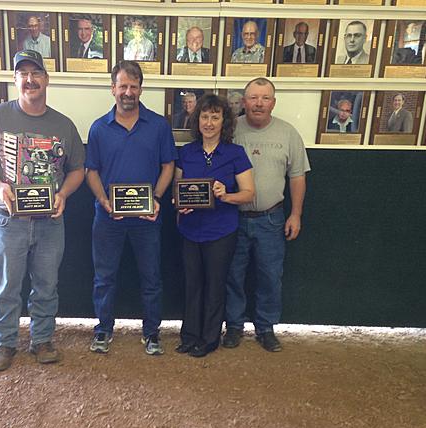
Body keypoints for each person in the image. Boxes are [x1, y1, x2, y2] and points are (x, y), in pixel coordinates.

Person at [0, 50, 85, 371]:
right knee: (6, 286)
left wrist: (64, 194)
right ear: (14, 79)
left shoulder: (63, 125)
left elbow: (77, 170)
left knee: (46, 285)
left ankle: (42, 340)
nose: (30, 79)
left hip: (49, 222)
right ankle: (4, 343)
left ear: (47, 79)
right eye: (23, 74)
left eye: (36, 73)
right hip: (8, 220)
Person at [85, 60, 176, 356]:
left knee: (151, 277)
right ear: (113, 88)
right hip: (108, 218)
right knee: (104, 277)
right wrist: (103, 200)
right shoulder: (99, 128)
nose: (128, 92)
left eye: (133, 86)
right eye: (122, 86)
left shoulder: (158, 125)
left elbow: (168, 166)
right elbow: (91, 171)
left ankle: (151, 333)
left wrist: (157, 199)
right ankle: (103, 329)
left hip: (147, 217)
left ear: (141, 89)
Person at [224, 77, 310, 353]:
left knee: (270, 276)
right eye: (253, 97)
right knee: (232, 275)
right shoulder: (230, 130)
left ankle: (266, 328)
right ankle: (234, 326)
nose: (258, 103)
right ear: (243, 101)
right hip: (232, 217)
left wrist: (295, 214)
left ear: (273, 102)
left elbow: (297, 177)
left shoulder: (288, 133)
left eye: (265, 98)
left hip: (272, 219)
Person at [175, 94, 254, 358]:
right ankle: (189, 335)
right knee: (191, 283)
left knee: (215, 285)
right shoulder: (186, 153)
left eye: (215, 117)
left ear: (224, 121)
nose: (209, 122)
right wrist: (179, 203)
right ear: (197, 120)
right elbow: (178, 191)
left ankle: (209, 339)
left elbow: (248, 193)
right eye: (205, 116)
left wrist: (225, 194)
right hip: (190, 229)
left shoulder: (235, 154)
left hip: (221, 230)